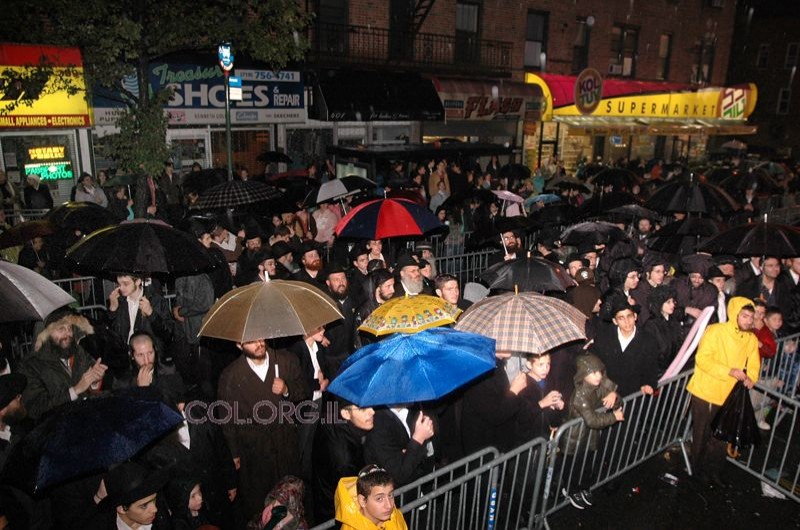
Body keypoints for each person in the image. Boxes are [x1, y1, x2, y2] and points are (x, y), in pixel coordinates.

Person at [216, 337, 309, 525]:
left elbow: (304, 391)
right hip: (254, 451)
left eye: (260, 338)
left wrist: (286, 389)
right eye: (251, 341)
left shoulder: (285, 360)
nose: (259, 344)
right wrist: (234, 454)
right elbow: (227, 420)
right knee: (260, 505)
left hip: (285, 444)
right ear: (238, 345)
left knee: (290, 499)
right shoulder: (230, 376)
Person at [686, 297, 760, 488]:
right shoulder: (716, 331)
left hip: (729, 395)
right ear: (735, 314)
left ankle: (715, 471)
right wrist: (729, 371)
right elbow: (702, 359)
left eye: (751, 318)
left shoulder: (751, 338)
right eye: (744, 316)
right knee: (701, 434)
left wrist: (751, 377)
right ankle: (697, 470)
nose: (748, 321)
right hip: (706, 391)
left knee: (721, 436)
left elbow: (753, 363)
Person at [18, 307, 107, 420]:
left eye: (69, 328)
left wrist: (95, 381)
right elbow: (36, 408)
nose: (67, 334)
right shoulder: (31, 365)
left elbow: (92, 389)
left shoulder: (79, 352)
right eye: (61, 329)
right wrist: (75, 390)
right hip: (54, 429)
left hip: (85, 420)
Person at [560, 354, 623, 510]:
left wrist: (613, 394)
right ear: (583, 374)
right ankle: (570, 489)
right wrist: (613, 417)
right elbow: (592, 420)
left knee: (587, 462)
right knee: (573, 464)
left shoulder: (597, 386)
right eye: (593, 373)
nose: (598, 376)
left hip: (588, 435)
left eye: (600, 372)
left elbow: (617, 401)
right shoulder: (580, 395)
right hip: (575, 437)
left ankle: (582, 486)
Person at [312, 398, 375, 523]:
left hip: (322, 498)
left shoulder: (332, 415)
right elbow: (353, 496)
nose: (372, 412)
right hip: (335, 514)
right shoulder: (345, 459)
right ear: (346, 413)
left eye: (371, 405)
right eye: (363, 409)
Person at [363, 405, 436, 488]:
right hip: (400, 495)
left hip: (421, 484)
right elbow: (400, 475)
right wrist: (418, 439)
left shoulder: (413, 409)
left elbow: (422, 451)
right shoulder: (379, 424)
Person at [87, 461, 171, 529]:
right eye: (144, 506)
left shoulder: (165, 518)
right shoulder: (102, 525)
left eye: (154, 500)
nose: (155, 509)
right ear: (121, 509)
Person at [334, 465, 408, 530]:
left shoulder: (395, 516)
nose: (389, 506)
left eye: (390, 495)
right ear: (362, 501)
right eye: (379, 499)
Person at [516, 352, 565, 440]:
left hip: (545, 434)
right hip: (527, 438)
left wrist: (557, 406)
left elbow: (552, 412)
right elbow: (521, 416)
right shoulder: (522, 384)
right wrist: (542, 403)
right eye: (540, 365)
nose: (545, 369)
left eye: (548, 364)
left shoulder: (549, 381)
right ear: (529, 365)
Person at [642, 286, 683, 372]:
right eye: (668, 302)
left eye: (673, 301)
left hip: (674, 370)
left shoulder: (674, 321)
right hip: (659, 372)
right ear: (659, 304)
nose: (673, 305)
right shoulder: (650, 325)